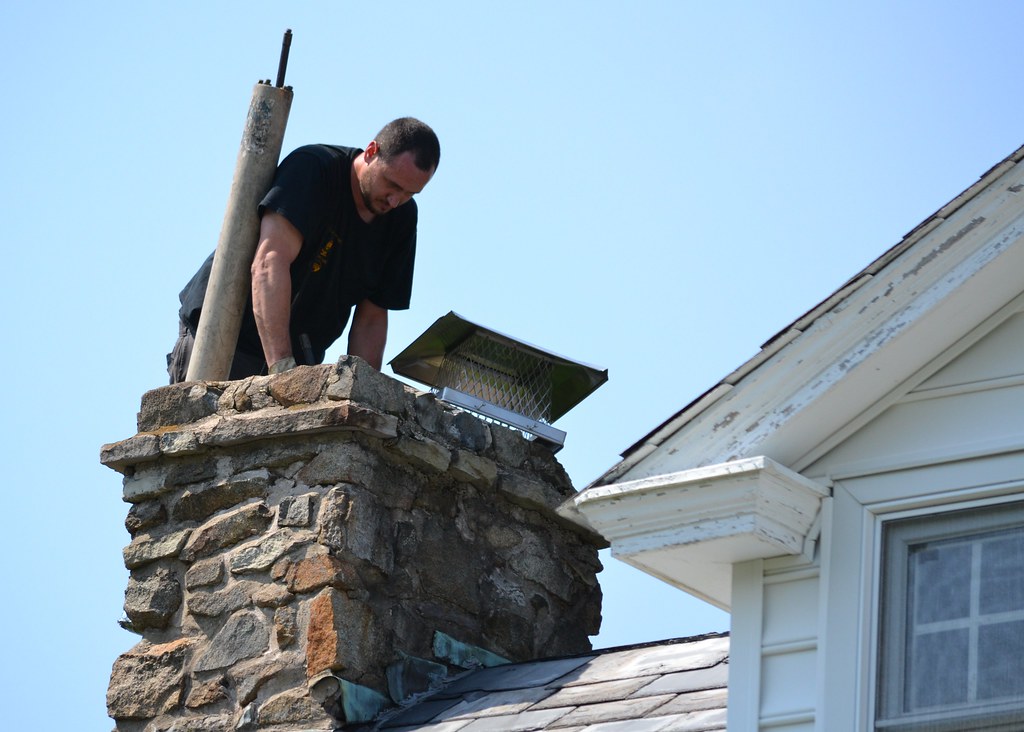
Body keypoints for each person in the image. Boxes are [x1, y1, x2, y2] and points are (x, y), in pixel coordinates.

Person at [168, 117, 440, 383]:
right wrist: (282, 370)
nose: (395, 200)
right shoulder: (313, 169)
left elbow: (373, 315)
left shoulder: (401, 218)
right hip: (225, 338)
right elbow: (269, 264)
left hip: (300, 361)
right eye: (391, 184)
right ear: (371, 152)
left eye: (409, 194)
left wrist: (364, 391)